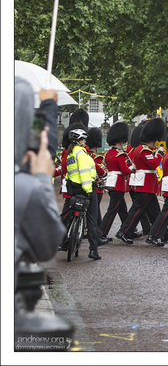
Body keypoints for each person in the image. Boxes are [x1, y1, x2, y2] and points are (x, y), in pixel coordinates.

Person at [14, 78, 65, 278]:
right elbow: (47, 244)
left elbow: (36, 140)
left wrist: (47, 109)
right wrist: (42, 178)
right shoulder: (22, 187)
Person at [115, 118, 165, 244]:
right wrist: (158, 153)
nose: (155, 144)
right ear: (150, 140)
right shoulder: (144, 150)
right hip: (145, 186)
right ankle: (124, 232)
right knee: (137, 211)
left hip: (147, 186)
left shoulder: (141, 149)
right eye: (154, 141)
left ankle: (161, 233)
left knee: (155, 212)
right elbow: (153, 164)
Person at [63, 127, 102, 259]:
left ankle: (66, 240)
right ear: (79, 140)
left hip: (74, 189)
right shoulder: (81, 154)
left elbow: (71, 174)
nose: (85, 141)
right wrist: (89, 190)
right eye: (83, 139)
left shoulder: (71, 154)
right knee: (92, 218)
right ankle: (93, 250)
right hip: (86, 188)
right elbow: (85, 173)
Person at [99, 121, 133, 241]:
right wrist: (133, 168)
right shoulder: (119, 155)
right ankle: (101, 234)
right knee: (112, 210)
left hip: (111, 183)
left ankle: (129, 230)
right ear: (121, 141)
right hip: (118, 184)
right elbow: (125, 171)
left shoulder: (109, 153)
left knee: (122, 209)